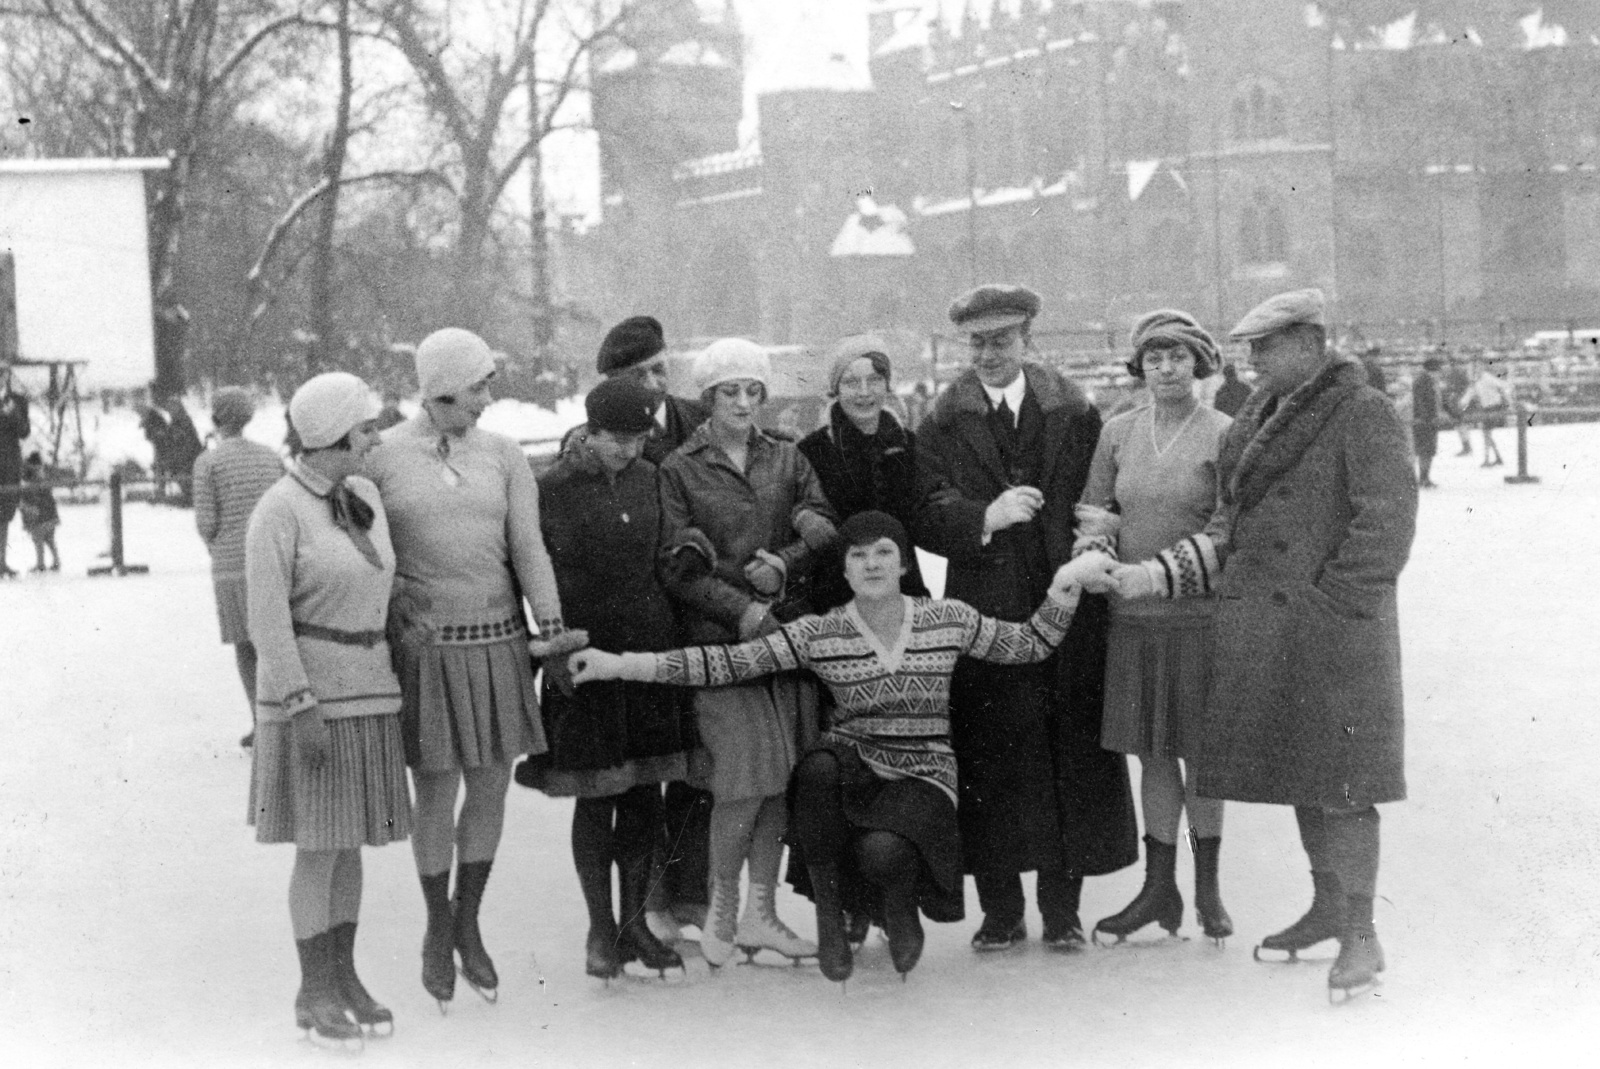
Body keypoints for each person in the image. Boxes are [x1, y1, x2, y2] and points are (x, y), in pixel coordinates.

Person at [570, 512, 1120, 981]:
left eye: (885, 553)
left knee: (883, 852)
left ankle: (901, 911)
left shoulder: (948, 618)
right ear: (845, 568)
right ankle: (830, 919)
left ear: (904, 564)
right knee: (817, 767)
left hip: (924, 773)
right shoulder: (820, 632)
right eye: (859, 556)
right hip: (854, 765)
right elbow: (724, 663)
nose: (873, 564)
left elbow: (1030, 643)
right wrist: (619, 664)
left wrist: (1066, 582)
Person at [1112, 288, 1417, 1000]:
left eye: (1266, 346)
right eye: (1248, 347)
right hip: (1278, 631)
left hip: (1338, 635)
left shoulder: (1361, 411)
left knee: (1345, 785)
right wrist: (1154, 574)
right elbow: (1227, 526)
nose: (1252, 358)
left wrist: (1334, 603)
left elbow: (1388, 521)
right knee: (1309, 774)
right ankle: (1328, 907)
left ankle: (1364, 934)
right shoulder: (1257, 416)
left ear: (1311, 344)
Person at [365, 328, 584, 1009]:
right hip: (427, 649)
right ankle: (437, 926)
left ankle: (469, 920)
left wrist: (549, 624)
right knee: (436, 789)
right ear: (442, 388)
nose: (488, 400)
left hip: (498, 641)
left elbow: (528, 545)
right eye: (479, 387)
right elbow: (365, 550)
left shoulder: (503, 454)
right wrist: (395, 600)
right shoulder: (381, 458)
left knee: (489, 789)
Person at [916, 284, 1137, 951]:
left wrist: (1095, 534)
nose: (988, 354)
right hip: (982, 611)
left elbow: (1105, 492)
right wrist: (980, 516)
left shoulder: (1071, 408)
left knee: (1066, 750)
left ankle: (1063, 908)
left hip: (1063, 603)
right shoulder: (942, 417)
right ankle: (1002, 908)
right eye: (978, 342)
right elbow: (922, 505)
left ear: (1027, 338)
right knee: (990, 756)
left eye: (1001, 340)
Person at [655, 337, 837, 967]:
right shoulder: (679, 468)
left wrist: (784, 565)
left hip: (785, 640)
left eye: (752, 390)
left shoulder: (787, 458)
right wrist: (741, 609)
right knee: (741, 780)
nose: (741, 401)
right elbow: (676, 566)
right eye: (728, 391)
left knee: (779, 781)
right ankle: (723, 910)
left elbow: (819, 518)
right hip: (718, 648)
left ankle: (761, 915)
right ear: (708, 397)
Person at [245, 372, 412, 1045]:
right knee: (319, 847)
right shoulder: (278, 510)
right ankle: (312, 987)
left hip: (371, 691)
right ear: (332, 437)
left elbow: (376, 579)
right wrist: (299, 703)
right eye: (365, 429)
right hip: (313, 701)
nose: (375, 439)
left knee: (350, 846)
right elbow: (266, 620)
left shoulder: (362, 492)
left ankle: (344, 975)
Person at [513, 378, 695, 980]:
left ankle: (635, 922)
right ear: (588, 431)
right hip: (583, 656)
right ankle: (599, 929)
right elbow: (527, 571)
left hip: (647, 649)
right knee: (597, 796)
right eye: (616, 439)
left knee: (645, 793)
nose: (629, 450)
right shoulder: (550, 489)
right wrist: (550, 650)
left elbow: (668, 549)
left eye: (640, 437)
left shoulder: (652, 477)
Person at [1074, 310, 1235, 946]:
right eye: (1153, 358)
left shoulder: (1226, 433)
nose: (1165, 369)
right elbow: (1099, 512)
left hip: (1198, 621)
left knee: (1202, 756)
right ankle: (1157, 889)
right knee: (1154, 754)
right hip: (1132, 623)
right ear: (1139, 367)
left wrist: (1159, 576)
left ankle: (1208, 890)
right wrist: (1098, 554)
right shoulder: (1117, 432)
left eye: (1177, 357)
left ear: (1200, 363)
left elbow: (1230, 530)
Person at [593, 314, 714, 944]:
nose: (657, 383)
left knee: (699, 758)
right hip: (637, 627)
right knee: (642, 771)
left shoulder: (702, 418)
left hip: (699, 612)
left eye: (662, 367)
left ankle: (687, 893)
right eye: (641, 374)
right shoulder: (596, 437)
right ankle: (643, 904)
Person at [798, 334, 931, 613]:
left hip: (903, 591)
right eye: (851, 382)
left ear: (887, 385)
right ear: (835, 389)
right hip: (837, 595)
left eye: (874, 380)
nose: (864, 392)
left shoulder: (909, 445)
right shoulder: (811, 451)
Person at [193, 387, 287, 748]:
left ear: (217, 417)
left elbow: (206, 522)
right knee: (276, 643)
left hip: (232, 567)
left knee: (246, 647)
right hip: (275, 563)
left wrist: (218, 548)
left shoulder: (208, 463)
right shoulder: (270, 456)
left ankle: (261, 721)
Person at [1, 381, 31, 578]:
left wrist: (14, 413)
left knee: (4, 516)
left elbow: (24, 432)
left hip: (9, 465)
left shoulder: (18, 400)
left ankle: (1, 562)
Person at [1459, 359, 1509, 467]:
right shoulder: (1476, 381)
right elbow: (1470, 393)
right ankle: (1496, 457)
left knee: (1486, 433)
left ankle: (1488, 459)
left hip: (1494, 407)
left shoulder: (1487, 378)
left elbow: (1502, 385)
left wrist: (1504, 399)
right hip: (1487, 408)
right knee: (1487, 434)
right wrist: (1463, 402)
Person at [18, 451, 60, 572]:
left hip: (39, 515)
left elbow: (30, 496)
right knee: (49, 539)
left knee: (38, 539)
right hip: (49, 513)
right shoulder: (42, 476)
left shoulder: (33, 478)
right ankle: (56, 560)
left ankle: (41, 563)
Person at [1411, 357, 1443, 488]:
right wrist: (1427, 418)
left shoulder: (1425, 380)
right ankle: (1423, 478)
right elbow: (1421, 401)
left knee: (1426, 451)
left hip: (1426, 419)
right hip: (1425, 421)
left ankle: (1424, 477)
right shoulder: (1425, 381)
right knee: (1426, 451)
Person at [1441, 356, 1472, 456]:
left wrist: (1457, 394)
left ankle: (1466, 446)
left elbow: (1465, 385)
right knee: (1459, 425)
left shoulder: (1456, 373)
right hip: (1454, 400)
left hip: (1456, 401)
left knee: (1460, 424)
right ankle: (1466, 446)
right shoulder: (1451, 373)